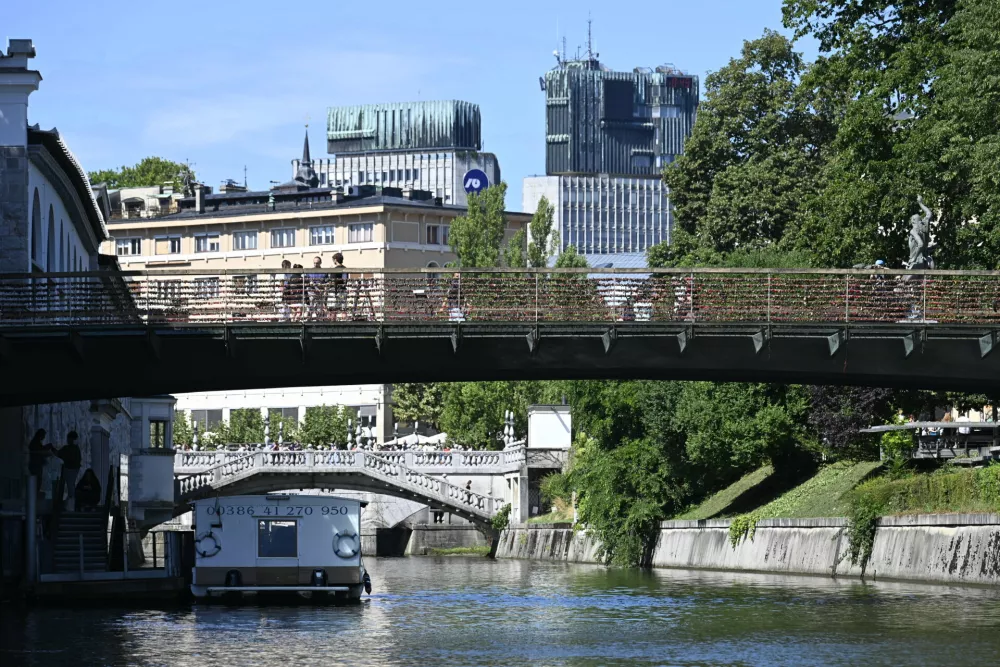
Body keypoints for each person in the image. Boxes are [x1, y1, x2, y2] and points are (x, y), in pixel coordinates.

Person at [54, 431, 82, 511]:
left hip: (69, 469)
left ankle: (70, 505)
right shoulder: (76, 449)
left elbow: (59, 454)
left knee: (70, 486)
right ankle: (70, 504)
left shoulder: (69, 448)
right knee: (71, 485)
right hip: (74, 469)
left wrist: (52, 449)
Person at [307, 256, 328, 320]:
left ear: (321, 262)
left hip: (320, 293)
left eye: (317, 263)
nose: (315, 264)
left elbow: (327, 283)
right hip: (312, 292)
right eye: (314, 263)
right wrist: (310, 283)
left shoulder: (324, 272)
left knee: (319, 309)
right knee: (311, 308)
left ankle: (319, 322)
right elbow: (306, 281)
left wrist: (322, 285)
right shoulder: (309, 272)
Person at [329, 252, 347, 319]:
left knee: (333, 310)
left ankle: (332, 326)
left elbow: (331, 281)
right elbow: (345, 280)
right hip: (343, 290)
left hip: (334, 291)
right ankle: (344, 324)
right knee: (343, 309)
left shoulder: (334, 270)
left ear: (335, 260)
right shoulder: (345, 268)